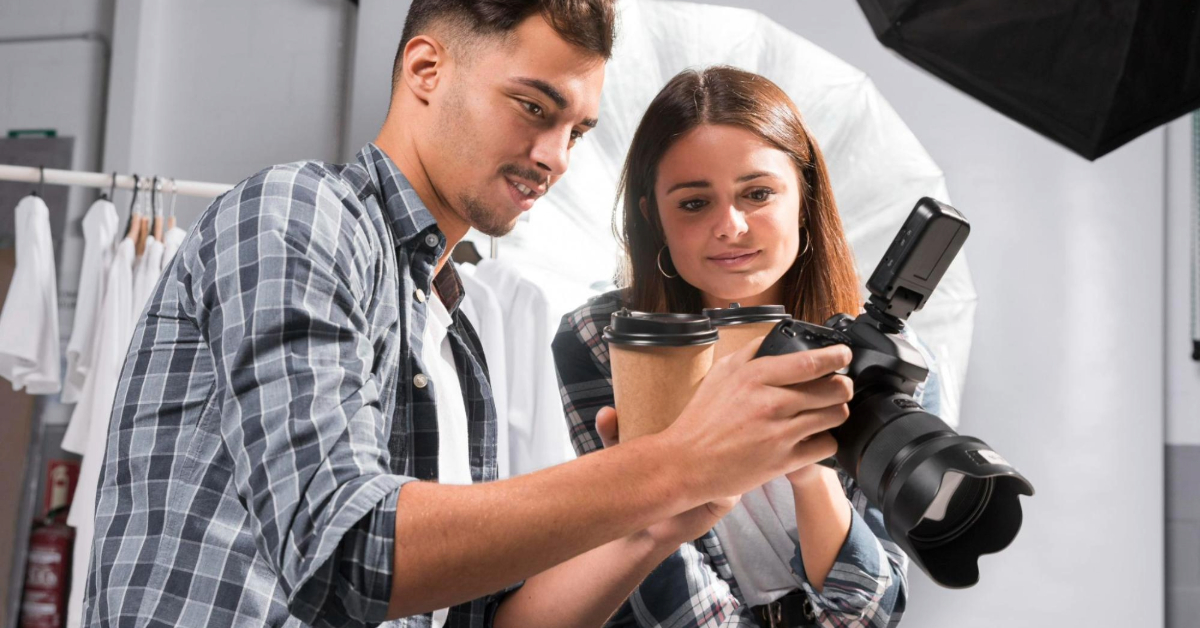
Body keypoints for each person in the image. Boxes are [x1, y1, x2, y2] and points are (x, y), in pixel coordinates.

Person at [83, 4, 857, 628]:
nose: (554, 154)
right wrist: (672, 462)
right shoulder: (299, 214)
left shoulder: (457, 329)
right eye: (532, 106)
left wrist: (665, 518)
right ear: (426, 69)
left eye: (577, 130)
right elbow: (350, 555)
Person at [553, 66, 941, 628]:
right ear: (652, 216)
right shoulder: (604, 339)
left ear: (803, 199)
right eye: (693, 203)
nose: (730, 226)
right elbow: (647, 558)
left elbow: (871, 612)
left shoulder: (889, 357)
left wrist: (808, 464)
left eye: (757, 194)